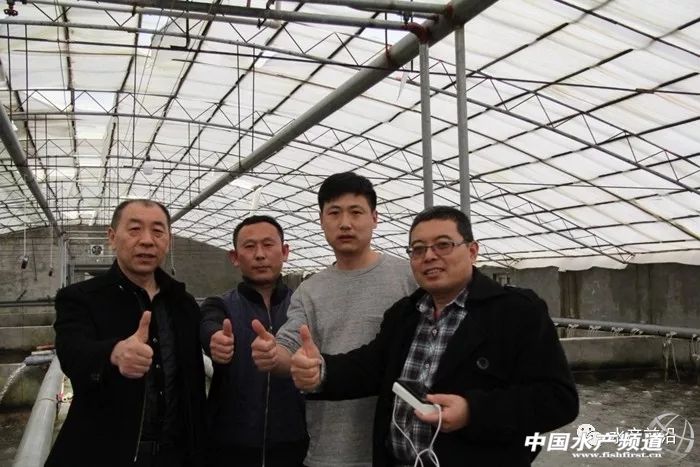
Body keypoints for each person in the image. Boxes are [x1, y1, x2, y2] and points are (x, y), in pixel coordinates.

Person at [290, 206, 579, 466]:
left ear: (472, 251)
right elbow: (370, 367)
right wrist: (322, 371)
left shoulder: (515, 312)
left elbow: (558, 399)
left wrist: (472, 410)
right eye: (418, 249)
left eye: (443, 245)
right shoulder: (406, 314)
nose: (429, 256)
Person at [252, 172, 416, 467]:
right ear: (321, 220)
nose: (345, 223)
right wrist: (272, 354)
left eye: (356, 212)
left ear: (375, 218)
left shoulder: (409, 277)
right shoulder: (310, 290)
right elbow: (289, 347)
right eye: (334, 213)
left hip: (401, 447)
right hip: (329, 451)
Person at [46, 199, 206, 467]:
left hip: (176, 453)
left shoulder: (183, 303)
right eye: (134, 230)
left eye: (158, 231)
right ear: (112, 237)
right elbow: (72, 353)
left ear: (168, 241)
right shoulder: (81, 298)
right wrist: (114, 353)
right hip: (106, 452)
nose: (147, 241)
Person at [200, 215, 308, 466]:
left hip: (294, 441)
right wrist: (215, 340)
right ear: (235, 257)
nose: (260, 255)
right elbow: (209, 324)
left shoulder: (304, 307)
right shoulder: (220, 305)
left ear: (285, 252)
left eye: (268, 245)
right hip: (231, 444)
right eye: (249, 247)